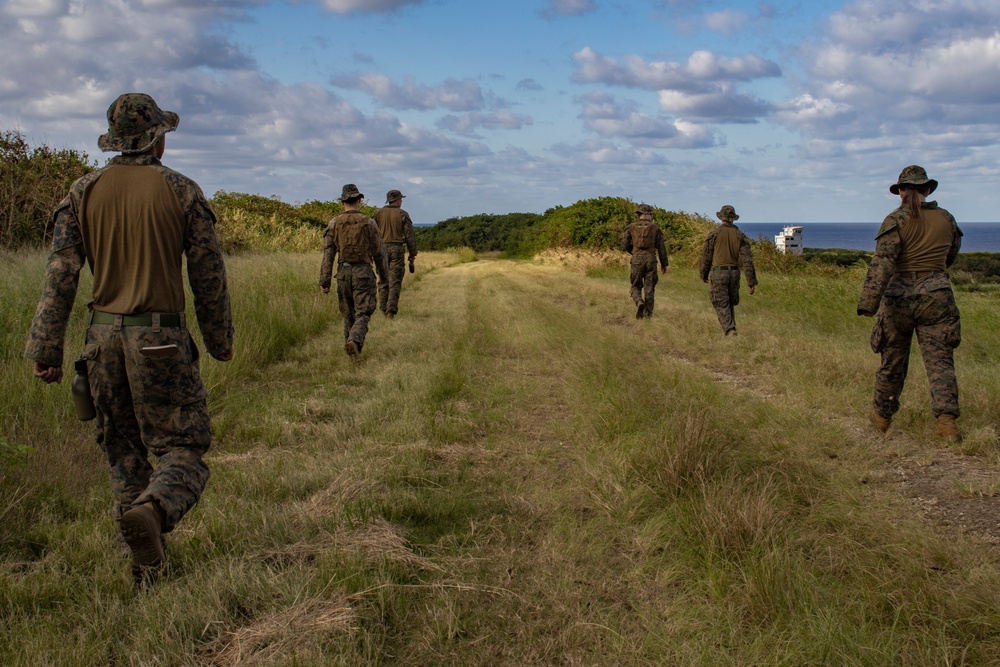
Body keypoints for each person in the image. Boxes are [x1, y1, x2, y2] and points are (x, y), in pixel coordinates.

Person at [24, 93, 234, 585]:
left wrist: (46, 349)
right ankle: (156, 513)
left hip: (100, 342)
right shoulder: (182, 190)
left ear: (117, 141)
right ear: (157, 138)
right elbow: (209, 275)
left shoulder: (82, 191)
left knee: (123, 454)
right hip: (159, 339)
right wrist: (219, 337)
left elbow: (61, 273)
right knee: (184, 445)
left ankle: (145, 569)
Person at [857, 165, 963, 441]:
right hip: (937, 295)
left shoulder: (895, 219)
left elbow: (884, 262)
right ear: (927, 190)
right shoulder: (946, 218)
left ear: (901, 191)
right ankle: (947, 424)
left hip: (898, 298)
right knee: (940, 362)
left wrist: (869, 302)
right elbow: (951, 255)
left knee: (893, 360)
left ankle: (881, 418)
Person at [319, 184, 388, 360]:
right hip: (363, 272)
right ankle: (355, 340)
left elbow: (328, 254)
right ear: (359, 200)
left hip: (342, 273)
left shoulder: (334, 223)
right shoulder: (369, 222)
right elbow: (379, 253)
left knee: (348, 314)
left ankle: (353, 356)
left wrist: (325, 281)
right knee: (363, 312)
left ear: (343, 201)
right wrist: (384, 276)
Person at [698, 205, 757, 335]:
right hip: (735, 272)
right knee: (730, 301)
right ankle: (732, 326)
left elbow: (706, 256)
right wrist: (751, 281)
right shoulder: (740, 235)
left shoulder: (714, 234)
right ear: (733, 219)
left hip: (719, 272)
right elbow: (747, 260)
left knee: (720, 302)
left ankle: (730, 329)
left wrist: (703, 273)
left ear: (721, 218)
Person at [372, 189, 418, 319]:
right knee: (395, 281)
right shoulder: (402, 214)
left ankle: (383, 308)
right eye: (401, 199)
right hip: (397, 249)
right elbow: (410, 236)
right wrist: (412, 252)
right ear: (397, 200)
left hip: (380, 250)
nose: (401, 201)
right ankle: (390, 311)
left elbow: (371, 232)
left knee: (383, 280)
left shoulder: (377, 213)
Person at [622, 203, 668, 318]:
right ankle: (648, 316)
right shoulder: (655, 228)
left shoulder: (631, 227)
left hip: (637, 258)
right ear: (647, 215)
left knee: (635, 285)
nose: (651, 216)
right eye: (651, 214)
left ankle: (639, 302)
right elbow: (661, 248)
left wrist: (633, 252)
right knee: (650, 288)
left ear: (640, 214)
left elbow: (624, 244)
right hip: (651, 259)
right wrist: (664, 264)